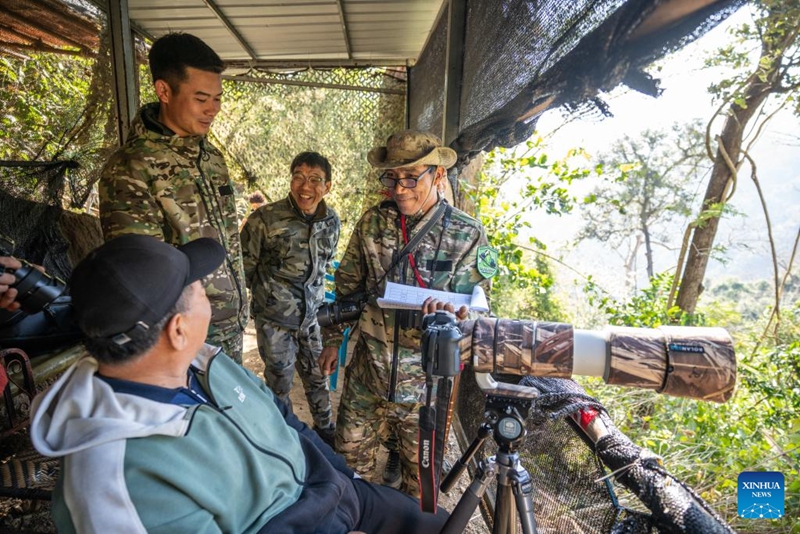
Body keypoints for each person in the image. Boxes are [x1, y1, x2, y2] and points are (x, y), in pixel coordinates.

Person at [29, 234, 448, 534]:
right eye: (200, 290)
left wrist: (346, 478)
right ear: (177, 330)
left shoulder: (204, 361)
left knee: (441, 524)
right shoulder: (115, 483)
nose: (212, 296)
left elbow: (285, 422)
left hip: (333, 493)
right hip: (307, 520)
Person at [318, 130, 495, 496]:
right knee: (348, 477)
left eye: (412, 178)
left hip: (425, 392)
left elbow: (480, 311)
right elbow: (348, 288)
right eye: (393, 178)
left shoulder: (467, 234)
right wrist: (333, 343)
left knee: (419, 492)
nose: (400, 189)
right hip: (368, 379)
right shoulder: (372, 223)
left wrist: (452, 317)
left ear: (439, 175)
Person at [98, 32, 247, 364]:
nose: (213, 110)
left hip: (229, 328)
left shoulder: (211, 159)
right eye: (201, 98)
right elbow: (143, 277)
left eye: (218, 98)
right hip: (180, 339)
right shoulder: (131, 168)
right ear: (164, 91)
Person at [240, 152, 340, 444]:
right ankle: (280, 440)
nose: (305, 186)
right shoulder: (265, 219)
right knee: (279, 383)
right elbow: (244, 267)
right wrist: (268, 301)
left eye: (314, 180)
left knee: (318, 378)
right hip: (276, 321)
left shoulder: (331, 221)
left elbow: (324, 267)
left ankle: (325, 434)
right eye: (298, 177)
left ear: (327, 186)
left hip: (313, 321)